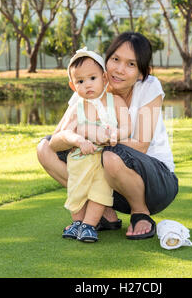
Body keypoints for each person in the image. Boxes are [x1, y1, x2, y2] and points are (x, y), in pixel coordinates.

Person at [37, 32, 179, 240]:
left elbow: (140, 145)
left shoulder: (149, 86)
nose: (120, 69)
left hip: (155, 183)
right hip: (111, 185)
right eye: (115, 59)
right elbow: (57, 141)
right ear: (106, 61)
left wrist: (100, 137)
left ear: (142, 72)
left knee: (111, 155)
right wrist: (78, 137)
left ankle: (140, 213)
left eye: (131, 64)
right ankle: (104, 213)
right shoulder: (89, 85)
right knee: (44, 148)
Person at [59, 48, 131, 242]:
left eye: (92, 78)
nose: (87, 85)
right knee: (77, 191)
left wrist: (117, 134)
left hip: (102, 159)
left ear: (105, 78)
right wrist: (78, 140)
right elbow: (64, 132)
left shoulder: (115, 101)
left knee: (100, 192)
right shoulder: (77, 107)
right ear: (73, 86)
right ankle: (78, 223)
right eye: (80, 81)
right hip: (79, 159)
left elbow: (127, 127)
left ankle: (89, 225)